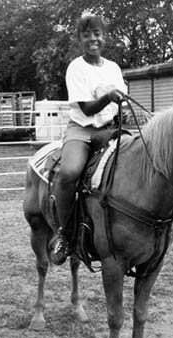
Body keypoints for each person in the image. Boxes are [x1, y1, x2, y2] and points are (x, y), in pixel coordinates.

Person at [51, 14, 127, 265]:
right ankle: (66, 233)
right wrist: (110, 97)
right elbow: (86, 109)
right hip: (82, 130)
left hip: (111, 128)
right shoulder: (76, 68)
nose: (93, 39)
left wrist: (123, 114)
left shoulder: (113, 68)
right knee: (69, 173)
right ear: (80, 39)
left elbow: (120, 103)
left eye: (97, 33)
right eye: (87, 35)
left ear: (103, 36)